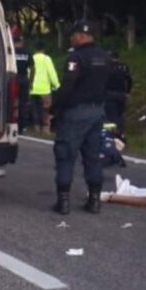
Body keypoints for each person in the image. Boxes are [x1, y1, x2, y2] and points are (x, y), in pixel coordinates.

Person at [50, 21, 112, 215]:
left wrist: (54, 107)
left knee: (65, 156)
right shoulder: (105, 57)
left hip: (76, 113)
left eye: (74, 35)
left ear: (82, 36)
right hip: (97, 112)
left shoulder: (76, 57)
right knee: (93, 157)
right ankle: (94, 201)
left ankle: (63, 202)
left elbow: (68, 86)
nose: (71, 38)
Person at [31, 41, 60, 133]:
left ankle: (36, 128)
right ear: (44, 49)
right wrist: (57, 85)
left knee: (35, 109)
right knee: (45, 110)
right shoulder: (46, 59)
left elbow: (29, 72)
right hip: (44, 90)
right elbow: (52, 73)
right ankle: (45, 129)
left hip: (32, 89)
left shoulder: (32, 58)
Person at [104, 51, 132, 135]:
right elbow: (129, 81)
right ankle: (122, 132)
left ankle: (112, 134)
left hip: (109, 95)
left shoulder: (106, 67)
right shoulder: (123, 67)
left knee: (111, 116)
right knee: (121, 113)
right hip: (121, 94)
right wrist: (127, 92)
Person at [14, 36, 33, 133]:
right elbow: (32, 67)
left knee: (12, 102)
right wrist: (31, 81)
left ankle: (12, 123)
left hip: (13, 78)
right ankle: (22, 126)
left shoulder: (11, 52)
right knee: (23, 103)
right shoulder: (27, 52)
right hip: (24, 79)